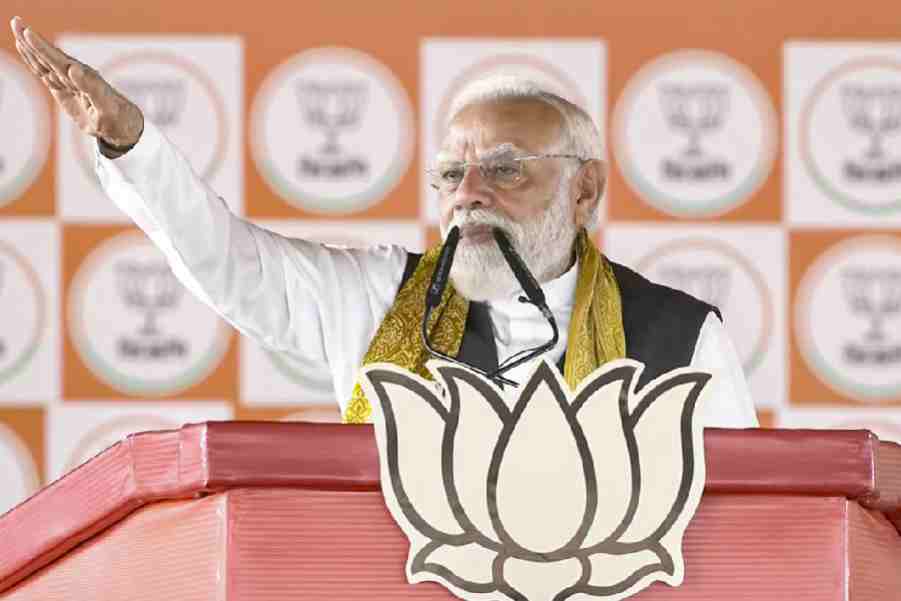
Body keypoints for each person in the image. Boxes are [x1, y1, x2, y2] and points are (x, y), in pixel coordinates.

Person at [10, 17, 758, 427]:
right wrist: (132, 144)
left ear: (583, 188)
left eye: (502, 169)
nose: (467, 194)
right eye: (449, 175)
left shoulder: (683, 336)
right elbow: (228, 262)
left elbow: (752, 527)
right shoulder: (375, 296)